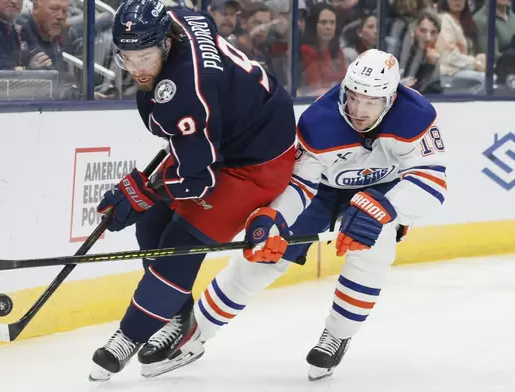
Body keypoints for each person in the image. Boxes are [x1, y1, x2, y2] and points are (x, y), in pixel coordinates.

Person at [152, 48, 448, 381]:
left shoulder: (417, 116)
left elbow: (432, 182)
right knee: (261, 258)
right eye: (353, 98)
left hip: (382, 191)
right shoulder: (319, 121)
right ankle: (197, 330)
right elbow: (301, 185)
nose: (359, 111)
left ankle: (338, 334)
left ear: (391, 99)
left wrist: (389, 207)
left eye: (371, 102)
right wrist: (274, 219)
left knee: (371, 252)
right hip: (322, 191)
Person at [88, 0, 297, 382]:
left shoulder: (184, 94)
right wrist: (147, 198)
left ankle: (129, 335)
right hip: (227, 133)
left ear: (166, 44)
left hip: (256, 162)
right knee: (151, 222)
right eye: (126, 58)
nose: (136, 69)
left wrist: (144, 192)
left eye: (145, 57)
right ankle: (175, 314)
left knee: (181, 242)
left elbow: (198, 181)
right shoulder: (179, 17)